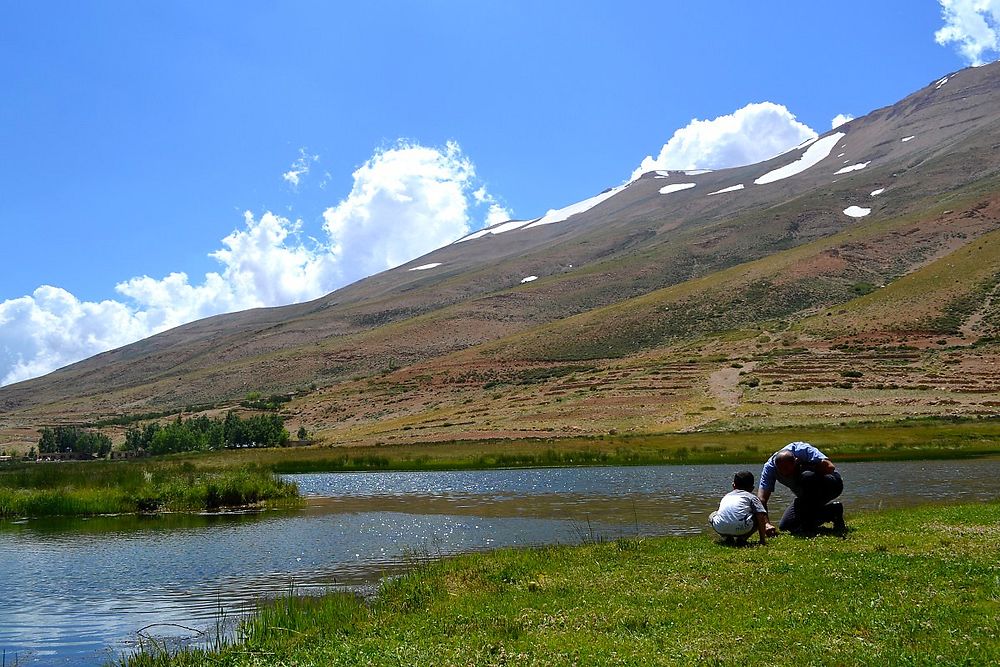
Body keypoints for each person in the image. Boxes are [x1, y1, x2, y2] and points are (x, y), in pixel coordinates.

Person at [757, 441, 846, 535]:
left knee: (806, 476)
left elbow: (830, 467)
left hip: (832, 485)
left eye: (787, 469)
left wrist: (806, 466)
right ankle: (833, 511)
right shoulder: (770, 468)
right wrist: (766, 524)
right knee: (786, 525)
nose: (785, 473)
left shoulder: (802, 450)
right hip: (805, 496)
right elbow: (762, 499)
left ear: (795, 461)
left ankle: (808, 524)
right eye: (781, 470)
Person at [709, 470, 770, 545]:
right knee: (758, 515)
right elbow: (761, 516)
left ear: (733, 485)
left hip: (720, 527)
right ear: (752, 488)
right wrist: (762, 540)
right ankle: (742, 539)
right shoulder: (752, 497)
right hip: (742, 529)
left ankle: (727, 537)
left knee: (713, 515)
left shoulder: (727, 496)